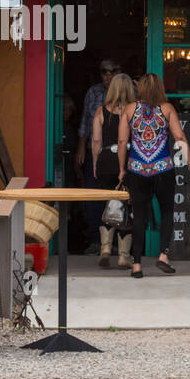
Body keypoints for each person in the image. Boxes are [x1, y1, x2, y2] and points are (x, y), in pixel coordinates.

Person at [117, 73, 190, 278]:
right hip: (163, 169)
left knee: (139, 217)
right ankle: (163, 255)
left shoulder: (129, 110)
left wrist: (121, 169)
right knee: (168, 212)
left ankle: (136, 265)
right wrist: (189, 163)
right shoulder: (167, 108)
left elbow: (121, 142)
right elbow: (179, 137)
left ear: (140, 88)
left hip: (136, 169)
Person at [91, 72, 136, 267]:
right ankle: (124, 255)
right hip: (129, 161)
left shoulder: (101, 111)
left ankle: (106, 247)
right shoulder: (135, 111)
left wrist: (95, 162)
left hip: (106, 161)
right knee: (126, 206)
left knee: (109, 205)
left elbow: (96, 140)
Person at [75, 59, 121, 251]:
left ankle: (118, 242)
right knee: (94, 197)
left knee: (119, 198)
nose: (108, 76)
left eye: (112, 71)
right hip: (97, 153)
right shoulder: (93, 93)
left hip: (119, 154)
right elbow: (85, 122)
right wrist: (80, 148)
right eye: (104, 72)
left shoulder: (127, 93)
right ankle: (97, 240)